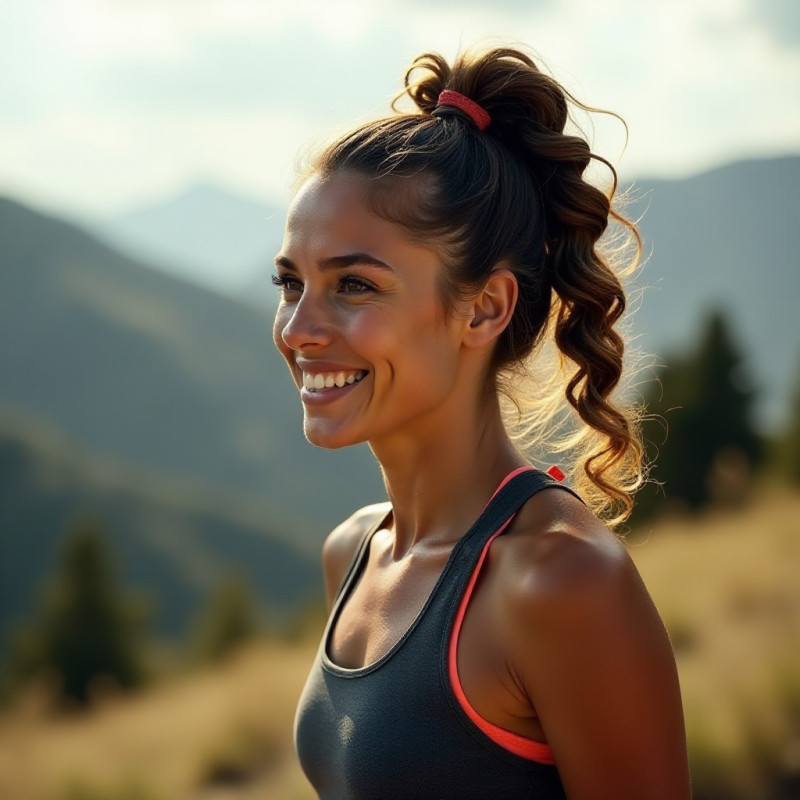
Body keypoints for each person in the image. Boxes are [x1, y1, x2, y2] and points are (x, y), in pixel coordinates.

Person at [273, 45, 690, 800]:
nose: (299, 328)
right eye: (291, 282)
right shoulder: (353, 553)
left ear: (485, 307)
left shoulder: (562, 582)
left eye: (354, 285)